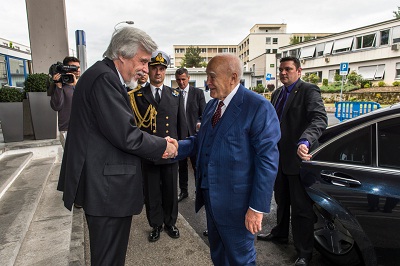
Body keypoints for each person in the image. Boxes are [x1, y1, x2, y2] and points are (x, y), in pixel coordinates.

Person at [57, 27, 177, 266]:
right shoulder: (104, 79)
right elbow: (126, 135)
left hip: (104, 188)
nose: (146, 68)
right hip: (106, 190)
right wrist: (163, 146)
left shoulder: (102, 75)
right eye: (143, 61)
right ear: (122, 54)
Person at [172, 53, 280, 265]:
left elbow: (267, 161)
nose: (207, 82)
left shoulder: (257, 107)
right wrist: (177, 147)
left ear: (233, 77)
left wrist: (256, 209)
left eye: (212, 76)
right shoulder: (213, 105)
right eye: (207, 77)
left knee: (240, 259)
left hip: (238, 207)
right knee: (219, 255)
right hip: (211, 200)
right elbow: (200, 141)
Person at [257, 56, 328, 266]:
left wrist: (305, 140)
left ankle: (304, 252)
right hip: (277, 159)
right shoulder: (277, 93)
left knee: (301, 209)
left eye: (288, 69)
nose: (283, 73)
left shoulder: (308, 90)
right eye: (281, 70)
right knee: (281, 201)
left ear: (299, 71)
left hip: (298, 160)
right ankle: (279, 233)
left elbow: (319, 118)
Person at [128, 51, 187, 242]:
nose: (158, 72)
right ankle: (155, 224)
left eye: (162, 69)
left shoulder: (175, 94)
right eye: (155, 68)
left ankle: (170, 222)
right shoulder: (137, 96)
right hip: (149, 153)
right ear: (149, 69)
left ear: (165, 71)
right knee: (152, 192)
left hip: (170, 153)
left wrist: (181, 149)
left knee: (170, 190)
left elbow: (181, 125)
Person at [175, 67, 206, 202]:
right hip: (180, 136)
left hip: (194, 137)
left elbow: (203, 113)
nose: (181, 82)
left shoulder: (198, 93)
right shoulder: (173, 94)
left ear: (188, 78)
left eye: (183, 79)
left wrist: (199, 123)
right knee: (181, 166)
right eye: (178, 80)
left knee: (197, 165)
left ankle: (200, 190)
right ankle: (184, 191)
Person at [50, 56, 80, 147]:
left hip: (83, 127)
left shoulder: (83, 83)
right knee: (71, 160)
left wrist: (76, 85)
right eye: (74, 67)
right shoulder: (61, 85)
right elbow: (56, 106)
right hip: (67, 129)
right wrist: (58, 87)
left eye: (78, 67)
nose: (77, 70)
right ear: (66, 69)